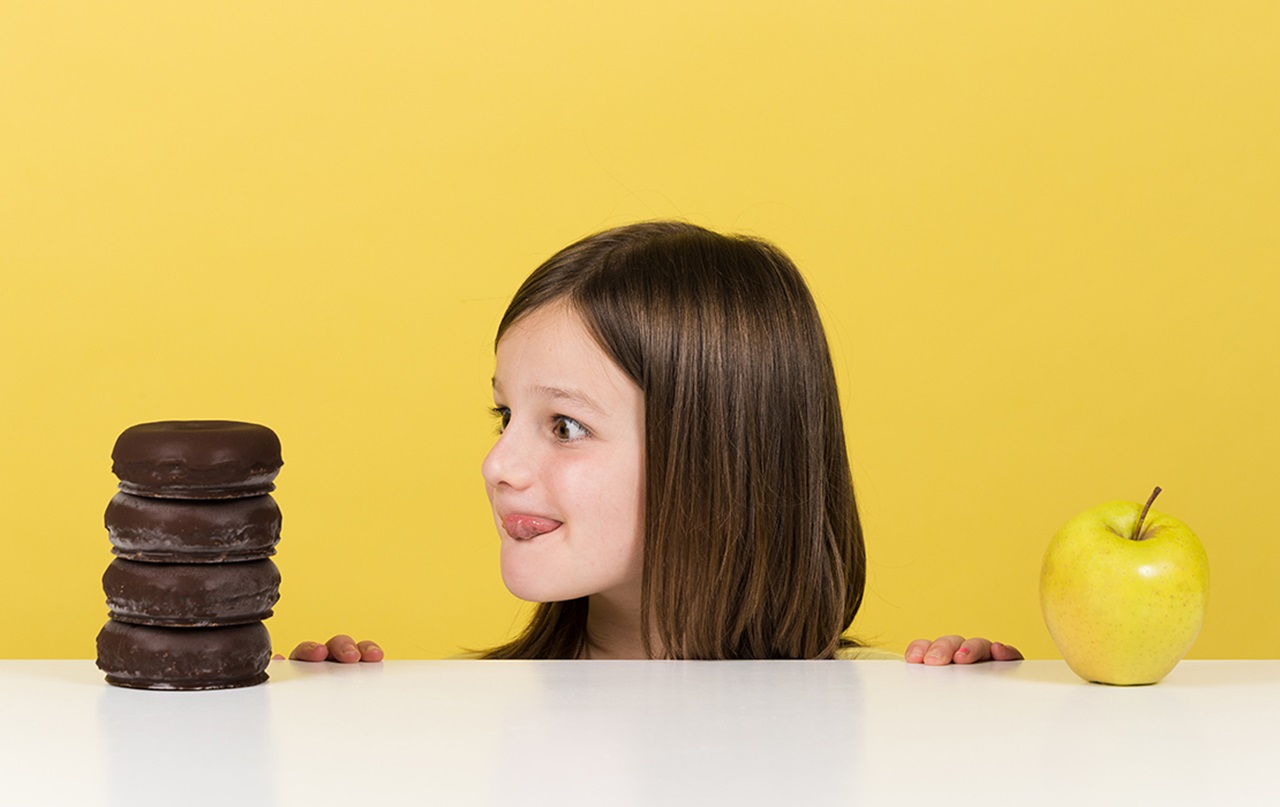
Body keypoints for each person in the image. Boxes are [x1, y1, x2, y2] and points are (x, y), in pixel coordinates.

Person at [288, 221, 1021, 664]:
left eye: (565, 427)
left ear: (718, 462)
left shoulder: (881, 705)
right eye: (502, 415)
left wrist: (966, 710)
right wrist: (337, 722)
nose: (499, 464)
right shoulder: (483, 710)